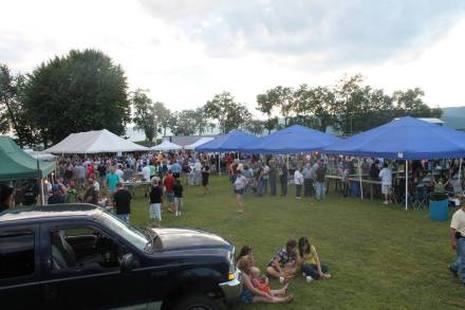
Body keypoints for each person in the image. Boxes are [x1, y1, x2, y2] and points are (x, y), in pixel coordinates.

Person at [449, 198, 465, 284]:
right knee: (464, 259)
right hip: (461, 239)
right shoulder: (457, 215)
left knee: (462, 258)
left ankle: (453, 267)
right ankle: (464, 278)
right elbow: (452, 229)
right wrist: (453, 241)